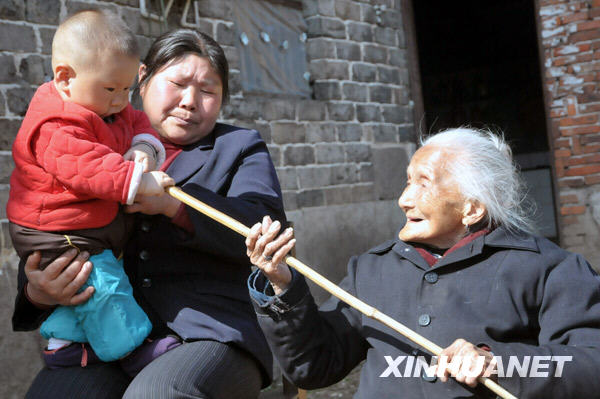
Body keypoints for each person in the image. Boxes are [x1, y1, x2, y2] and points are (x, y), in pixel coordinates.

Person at [12, 29, 286, 399]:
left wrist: (175, 206)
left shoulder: (238, 148)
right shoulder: (88, 138)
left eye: (208, 91)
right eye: (178, 83)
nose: (190, 102)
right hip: (101, 338)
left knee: (157, 394)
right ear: (141, 79)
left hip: (208, 331)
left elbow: (267, 231)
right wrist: (38, 292)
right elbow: (51, 222)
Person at [245, 128, 600, 398]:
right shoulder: (373, 270)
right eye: (407, 181)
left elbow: (589, 364)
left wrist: (499, 362)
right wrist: (283, 284)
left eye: (423, 184)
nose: (403, 199)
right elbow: (315, 365)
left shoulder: (548, 270)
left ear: (472, 208)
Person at [7, 10, 174, 363]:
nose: (120, 99)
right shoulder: (55, 125)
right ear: (65, 78)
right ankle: (132, 350)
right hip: (57, 230)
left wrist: (144, 146)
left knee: (82, 292)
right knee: (103, 285)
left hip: (86, 226)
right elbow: (92, 169)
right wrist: (142, 182)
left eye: (128, 88)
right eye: (111, 89)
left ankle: (64, 344)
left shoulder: (106, 104)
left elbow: (137, 119)